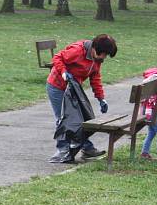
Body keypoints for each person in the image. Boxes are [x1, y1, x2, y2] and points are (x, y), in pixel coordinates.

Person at [47, 34, 118, 163]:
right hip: (57, 86)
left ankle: (87, 148)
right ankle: (63, 151)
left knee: (81, 119)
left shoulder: (97, 59)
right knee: (63, 119)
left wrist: (101, 98)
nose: (103, 57)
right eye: (103, 54)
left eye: (106, 56)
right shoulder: (77, 50)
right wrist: (63, 72)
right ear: (94, 48)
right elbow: (57, 58)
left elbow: (95, 77)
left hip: (74, 89)